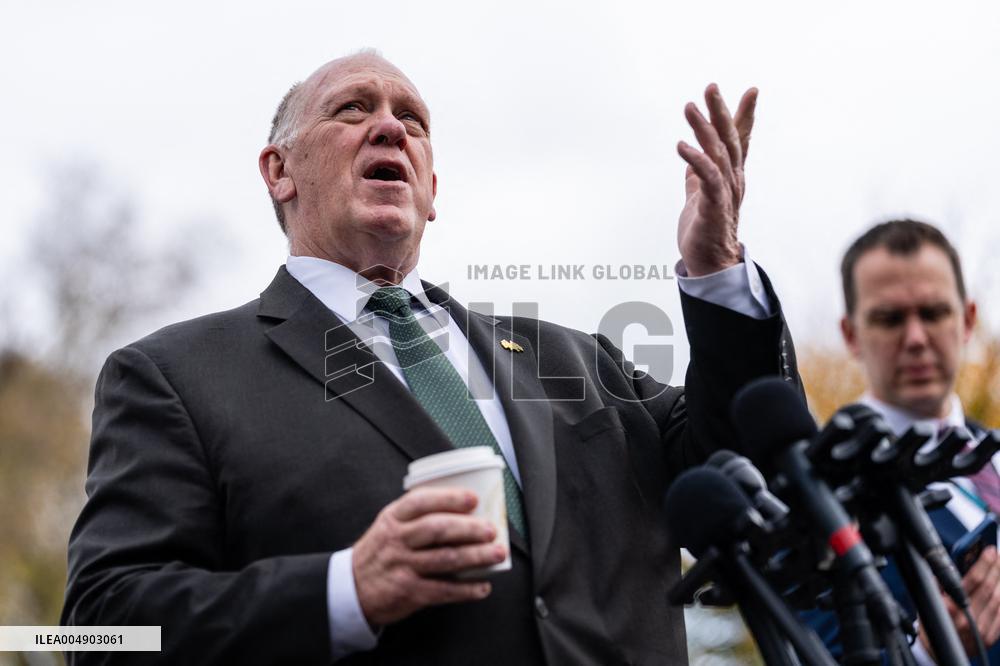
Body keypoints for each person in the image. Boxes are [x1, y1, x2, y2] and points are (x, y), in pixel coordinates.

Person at [61, 51, 798, 664]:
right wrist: (347, 589)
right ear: (278, 171)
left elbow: (744, 455)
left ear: (432, 189)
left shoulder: (578, 361)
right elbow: (100, 628)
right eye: (352, 110)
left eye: (412, 121)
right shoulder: (177, 379)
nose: (390, 126)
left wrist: (718, 270)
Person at [806, 219, 1000, 664]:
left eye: (933, 313)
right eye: (890, 319)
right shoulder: (816, 498)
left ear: (967, 319)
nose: (915, 339)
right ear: (851, 334)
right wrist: (928, 657)